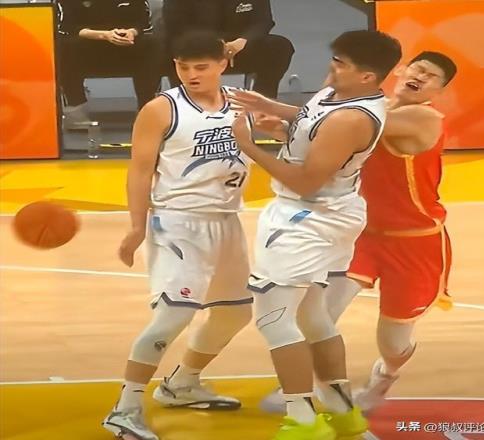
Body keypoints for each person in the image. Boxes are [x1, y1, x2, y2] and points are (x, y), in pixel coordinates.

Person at [260, 51, 458, 417]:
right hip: (362, 234)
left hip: (415, 242)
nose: (420, 76)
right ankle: (299, 387)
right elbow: (332, 139)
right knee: (320, 311)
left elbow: (349, 123)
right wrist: (286, 132)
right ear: (401, 70)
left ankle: (386, 375)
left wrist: (280, 109)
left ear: (439, 92)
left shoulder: (423, 118)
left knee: (393, 342)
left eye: (431, 76)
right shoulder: (370, 109)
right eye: (417, 68)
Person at [229, 30, 402, 439]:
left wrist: (248, 146)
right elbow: (310, 121)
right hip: (325, 213)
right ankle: (343, 413)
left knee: (273, 318)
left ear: (367, 76)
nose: (332, 67)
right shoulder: (337, 95)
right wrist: (271, 109)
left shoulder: (352, 119)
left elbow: (306, 181)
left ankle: (303, 419)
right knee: (312, 316)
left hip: (308, 216)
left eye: (341, 63)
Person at [102, 31, 253, 440]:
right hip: (178, 222)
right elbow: (139, 171)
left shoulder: (243, 104)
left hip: (227, 220)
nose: (191, 74)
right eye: (183, 67)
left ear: (223, 64)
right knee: (175, 315)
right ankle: (125, 409)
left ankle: (182, 383)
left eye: (201, 67)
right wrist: (136, 227)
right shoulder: (161, 109)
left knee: (236, 312)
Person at [57, 0, 161, 128]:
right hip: (86, 48)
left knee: (153, 44)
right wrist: (104, 35)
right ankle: (75, 110)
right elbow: (65, 28)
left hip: (128, 45)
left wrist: (132, 32)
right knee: (64, 47)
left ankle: (147, 108)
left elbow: (145, 24)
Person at [162, 0, 294, 98]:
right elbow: (175, 25)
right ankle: (183, 102)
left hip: (239, 48)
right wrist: (213, 43)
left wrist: (244, 40)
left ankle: (262, 103)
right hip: (196, 46)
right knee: (165, 49)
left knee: (279, 46)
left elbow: (264, 21)